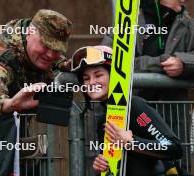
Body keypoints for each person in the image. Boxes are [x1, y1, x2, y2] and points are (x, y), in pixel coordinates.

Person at [102, 0, 193, 172]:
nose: (184, 0)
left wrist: (184, 63)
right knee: (133, 165)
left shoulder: (187, 24)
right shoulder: (128, 20)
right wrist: (158, 63)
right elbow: (108, 58)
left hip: (173, 112)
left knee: (177, 163)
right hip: (131, 111)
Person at [71, 45, 183, 176]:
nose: (91, 82)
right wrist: (100, 167)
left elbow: (174, 148)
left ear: (113, 76)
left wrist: (133, 143)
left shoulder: (135, 106)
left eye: (98, 75)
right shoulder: (103, 119)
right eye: (86, 78)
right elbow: (114, 167)